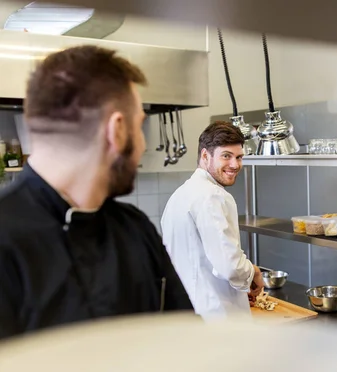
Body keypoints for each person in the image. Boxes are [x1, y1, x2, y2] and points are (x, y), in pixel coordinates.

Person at [0, 45, 193, 340]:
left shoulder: (135, 229)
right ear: (116, 131)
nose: (141, 144)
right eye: (139, 126)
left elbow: (187, 342)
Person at [161, 121, 264, 320]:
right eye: (226, 156)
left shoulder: (180, 194)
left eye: (239, 157)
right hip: (218, 315)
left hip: (188, 312)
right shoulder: (213, 196)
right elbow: (230, 265)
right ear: (205, 156)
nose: (235, 165)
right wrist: (254, 272)